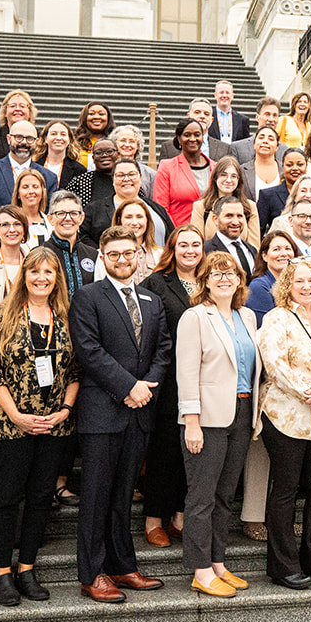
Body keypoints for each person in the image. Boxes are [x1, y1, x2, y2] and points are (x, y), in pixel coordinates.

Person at [69, 228, 171, 603]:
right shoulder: (87, 297)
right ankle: (91, 573)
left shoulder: (151, 298)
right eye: (114, 255)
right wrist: (130, 387)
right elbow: (89, 351)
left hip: (140, 412)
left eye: (128, 253)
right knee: (96, 496)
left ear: (139, 255)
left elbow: (163, 349)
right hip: (103, 411)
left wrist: (147, 387)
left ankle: (121, 566)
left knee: (123, 495)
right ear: (103, 259)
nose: (122, 260)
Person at [0, 246, 79, 606]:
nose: (41, 278)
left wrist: (65, 410)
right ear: (24, 275)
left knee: (40, 498)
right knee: (7, 498)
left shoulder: (66, 316)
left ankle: (27, 568)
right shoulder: (0, 315)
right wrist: (16, 414)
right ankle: (3, 573)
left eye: (49, 272)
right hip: (10, 425)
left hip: (54, 425)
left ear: (57, 278)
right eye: (34, 271)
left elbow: (76, 371)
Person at [175, 250, 263, 597]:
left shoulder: (248, 317)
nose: (224, 279)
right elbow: (187, 373)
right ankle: (200, 570)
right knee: (202, 497)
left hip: (241, 414)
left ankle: (218, 563)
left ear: (241, 280)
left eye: (231, 274)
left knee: (226, 495)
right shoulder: (195, 317)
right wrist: (191, 422)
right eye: (216, 274)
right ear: (206, 282)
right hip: (207, 419)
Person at [257, 258, 311, 587]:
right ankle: (283, 565)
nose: (306, 286)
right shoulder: (276, 318)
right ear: (287, 286)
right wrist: (309, 393)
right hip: (285, 416)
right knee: (285, 490)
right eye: (298, 282)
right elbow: (275, 363)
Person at [139, 225, 204, 546]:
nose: (190, 250)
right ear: (172, 249)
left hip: (204, 381)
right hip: (168, 381)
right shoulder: (155, 283)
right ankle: (154, 520)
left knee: (191, 453)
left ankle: (179, 516)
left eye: (195, 244)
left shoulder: (209, 282)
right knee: (165, 451)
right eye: (183, 245)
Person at [0, 120, 56, 245]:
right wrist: (7, 233)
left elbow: (49, 212)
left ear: (37, 142)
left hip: (37, 246)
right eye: (19, 137)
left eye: (29, 139)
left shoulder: (49, 177)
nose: (24, 142)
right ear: (8, 138)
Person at [85, 159, 170, 250]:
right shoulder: (95, 209)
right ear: (113, 180)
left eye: (132, 174)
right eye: (120, 175)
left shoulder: (156, 208)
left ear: (140, 178)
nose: (126, 179)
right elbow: (83, 238)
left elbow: (171, 238)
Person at [154, 118, 217, 228]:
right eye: (187, 135)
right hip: (179, 235)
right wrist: (175, 234)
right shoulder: (167, 167)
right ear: (179, 139)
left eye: (197, 135)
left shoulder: (216, 167)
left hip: (211, 237)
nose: (192, 139)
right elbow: (161, 208)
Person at [190, 156, 262, 245]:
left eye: (233, 176)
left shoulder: (250, 207)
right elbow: (196, 243)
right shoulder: (201, 207)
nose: (228, 180)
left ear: (239, 180)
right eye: (223, 175)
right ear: (215, 177)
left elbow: (254, 247)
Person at [36, 120, 84, 191]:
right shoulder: (34, 166)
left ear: (69, 140)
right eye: (53, 134)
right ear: (45, 139)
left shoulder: (79, 170)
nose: (58, 138)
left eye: (63, 134)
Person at [242, 126, 284, 197]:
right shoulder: (242, 170)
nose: (265, 141)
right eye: (261, 138)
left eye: (271, 139)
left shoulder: (285, 170)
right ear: (254, 144)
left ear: (277, 146)